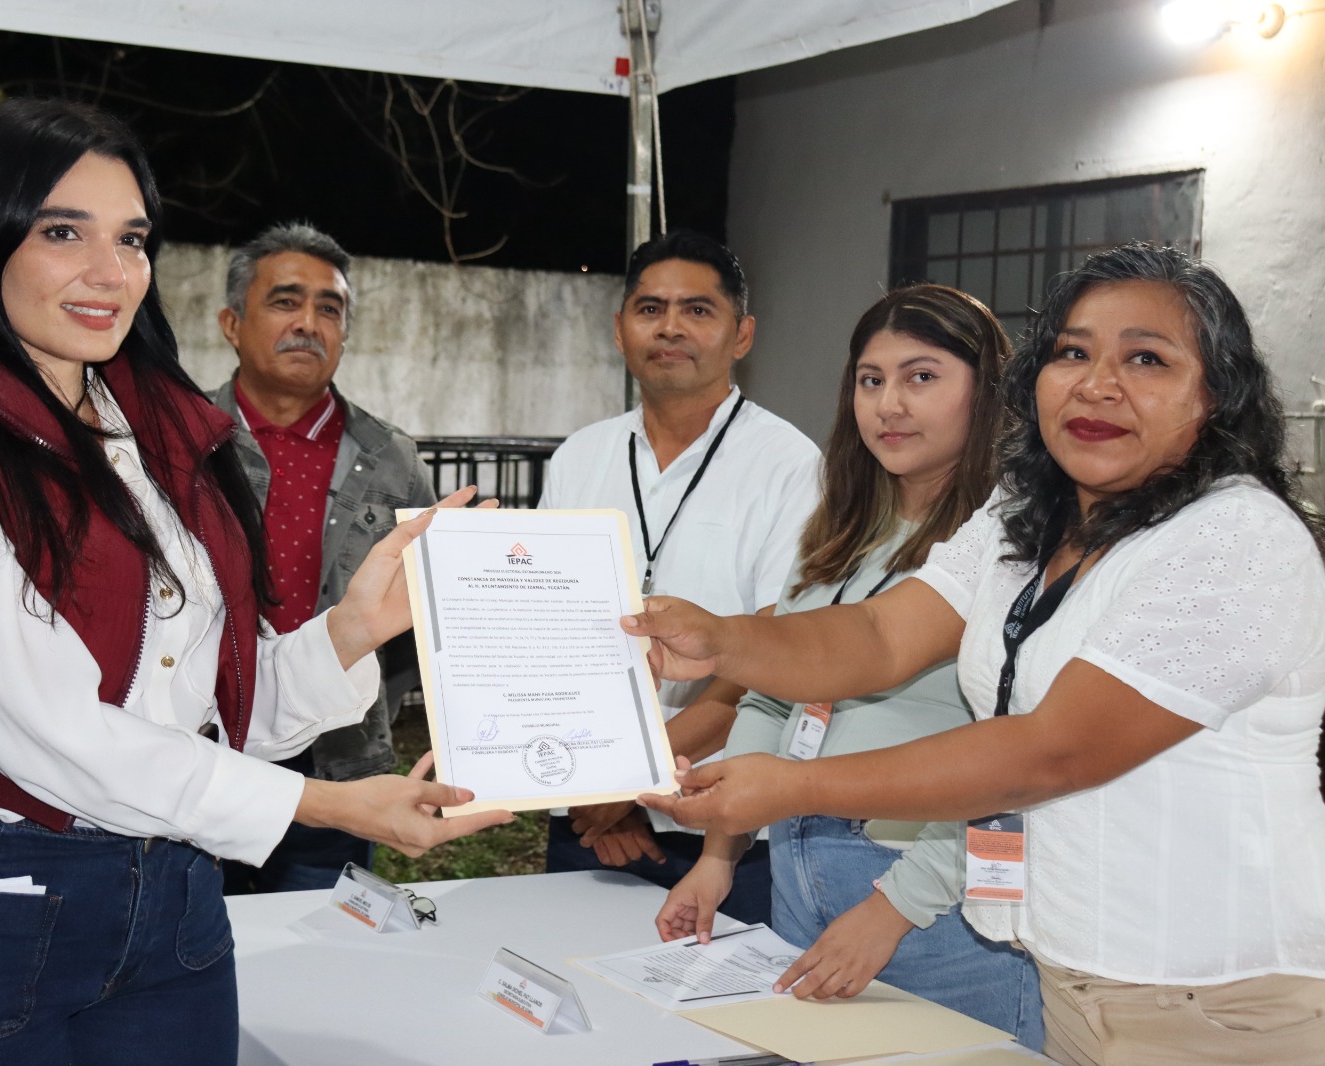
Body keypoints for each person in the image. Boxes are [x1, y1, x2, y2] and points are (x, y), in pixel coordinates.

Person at [0, 98, 510, 1066]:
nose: (110, 271)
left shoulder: (152, 431)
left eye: (130, 238)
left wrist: (351, 627)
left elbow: (200, 707)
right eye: (62, 232)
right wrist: (328, 805)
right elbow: (54, 731)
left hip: (173, 893)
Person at [631, 243, 1325, 1065]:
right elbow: (882, 635)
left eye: (1146, 358)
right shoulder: (1026, 516)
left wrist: (794, 788)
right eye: (1072, 352)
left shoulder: (1232, 537)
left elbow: (1050, 750)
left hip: (1213, 1001)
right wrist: (723, 639)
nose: (1097, 383)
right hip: (1065, 973)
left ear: (1217, 393)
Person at [654, 284, 1042, 1048]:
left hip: (938, 902)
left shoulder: (1019, 547)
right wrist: (719, 858)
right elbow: (770, 699)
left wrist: (894, 908)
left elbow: (1022, 768)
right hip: (800, 867)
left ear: (988, 391)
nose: (890, 404)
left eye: (921, 376)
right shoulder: (839, 530)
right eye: (871, 380)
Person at [537, 230, 821, 925]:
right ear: (619, 329)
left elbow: (769, 656)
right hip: (586, 816)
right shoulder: (581, 456)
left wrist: (635, 780)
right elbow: (545, 632)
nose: (670, 327)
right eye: (650, 308)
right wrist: (605, 791)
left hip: (720, 831)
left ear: (742, 333)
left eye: (698, 310)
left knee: (721, 1029)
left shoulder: (790, 464)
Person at [209, 221, 436, 893]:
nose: (308, 322)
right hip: (205, 756)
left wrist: (376, 706)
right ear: (232, 321)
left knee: (321, 956)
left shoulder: (392, 460)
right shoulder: (178, 444)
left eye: (329, 308)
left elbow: (423, 615)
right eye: (285, 301)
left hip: (341, 760)